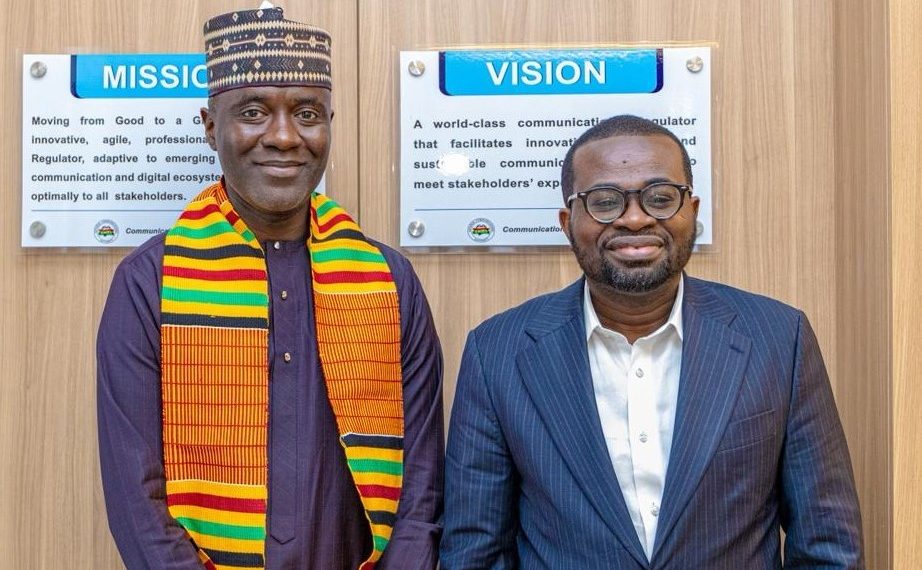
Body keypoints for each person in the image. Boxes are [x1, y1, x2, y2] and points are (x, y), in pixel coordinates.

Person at [97, 5, 443, 569]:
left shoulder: (388, 280)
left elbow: (422, 481)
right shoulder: (149, 281)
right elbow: (135, 495)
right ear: (211, 127)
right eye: (253, 112)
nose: (284, 137)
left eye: (307, 113)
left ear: (330, 122)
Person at [440, 115, 863, 569]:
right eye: (604, 202)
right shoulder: (498, 352)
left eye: (661, 198)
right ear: (568, 222)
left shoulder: (778, 338)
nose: (636, 219)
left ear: (693, 212)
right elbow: (474, 552)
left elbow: (827, 543)